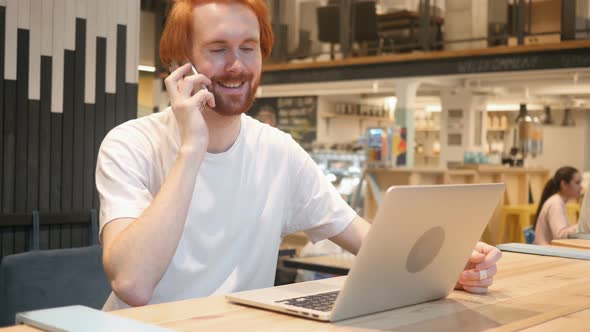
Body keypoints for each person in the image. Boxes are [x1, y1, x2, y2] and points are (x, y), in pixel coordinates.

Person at [96, 0, 502, 311]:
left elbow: (368, 239)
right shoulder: (130, 144)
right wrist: (192, 149)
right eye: (218, 49)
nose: (237, 66)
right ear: (179, 63)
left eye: (249, 48)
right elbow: (132, 284)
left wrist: (451, 264)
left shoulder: (277, 150)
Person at [533, 166, 582, 245]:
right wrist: (582, 226)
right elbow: (560, 236)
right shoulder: (555, 203)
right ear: (564, 184)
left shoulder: (558, 201)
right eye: (577, 183)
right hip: (546, 253)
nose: (580, 187)